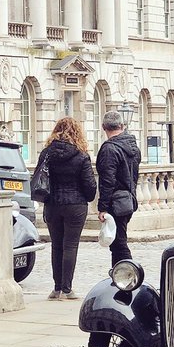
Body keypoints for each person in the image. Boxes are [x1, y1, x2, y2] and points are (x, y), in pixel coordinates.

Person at [36, 117, 96, 300]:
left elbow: (39, 177)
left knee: (57, 246)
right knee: (70, 245)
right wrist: (88, 197)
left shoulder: (47, 153)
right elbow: (90, 185)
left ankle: (56, 289)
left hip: (53, 204)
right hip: (75, 205)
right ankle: (67, 289)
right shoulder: (81, 155)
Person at [95, 110, 141, 266]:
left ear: (103, 127)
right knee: (117, 242)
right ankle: (119, 276)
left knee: (119, 244)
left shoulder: (109, 149)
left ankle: (128, 276)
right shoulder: (133, 146)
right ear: (122, 125)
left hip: (116, 202)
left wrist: (103, 208)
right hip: (128, 198)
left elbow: (107, 181)